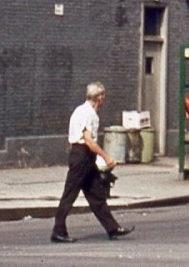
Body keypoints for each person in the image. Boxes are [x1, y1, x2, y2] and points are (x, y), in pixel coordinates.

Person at [50, 81, 134, 243]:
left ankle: (112, 228)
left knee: (96, 195)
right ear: (99, 97)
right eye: (103, 96)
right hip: (82, 156)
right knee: (69, 194)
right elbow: (88, 140)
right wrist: (106, 157)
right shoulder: (87, 113)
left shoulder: (81, 111)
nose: (104, 100)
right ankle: (58, 230)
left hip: (84, 157)